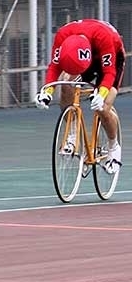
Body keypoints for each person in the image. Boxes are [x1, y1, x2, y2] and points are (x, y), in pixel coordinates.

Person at [35, 19, 125, 174]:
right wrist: (46, 92)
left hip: (111, 57)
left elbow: (109, 73)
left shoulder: (103, 37)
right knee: (65, 82)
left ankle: (113, 147)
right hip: (84, 59)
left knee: (103, 107)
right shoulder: (62, 36)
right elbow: (54, 67)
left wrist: (101, 94)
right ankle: (72, 132)